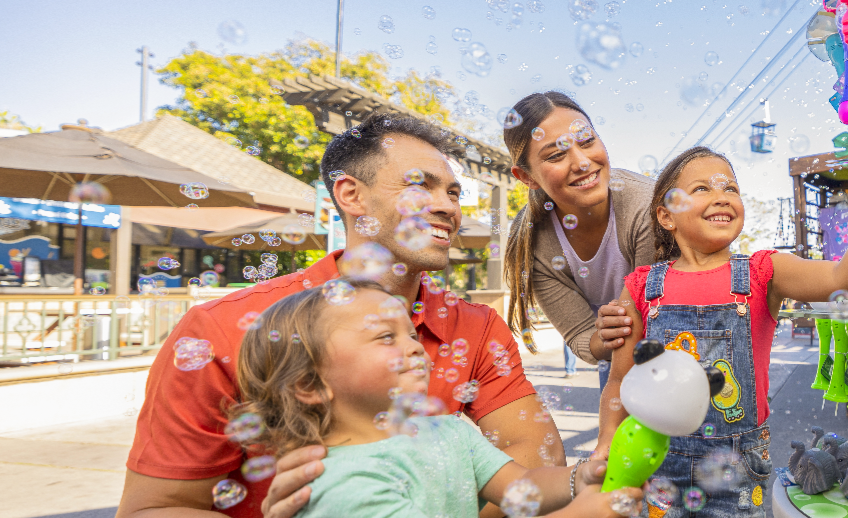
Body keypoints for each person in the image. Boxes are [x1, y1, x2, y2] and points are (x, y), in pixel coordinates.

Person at [117, 116, 561, 518]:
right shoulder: (221, 329)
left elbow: (538, 454)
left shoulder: (475, 326)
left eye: (452, 191)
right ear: (351, 195)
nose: (448, 206)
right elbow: (154, 508)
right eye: (420, 185)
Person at [596, 146, 848, 517]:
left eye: (731, 188)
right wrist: (607, 441)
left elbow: (843, 278)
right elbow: (619, 380)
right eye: (703, 188)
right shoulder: (641, 285)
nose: (721, 196)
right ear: (666, 215)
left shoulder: (763, 272)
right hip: (653, 456)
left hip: (736, 464)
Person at [228, 281, 640, 518]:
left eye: (410, 333)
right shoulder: (340, 487)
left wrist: (579, 479)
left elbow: (521, 486)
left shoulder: (446, 432)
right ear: (310, 384)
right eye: (385, 336)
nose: (412, 346)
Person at [502, 92, 655, 388]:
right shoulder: (531, 238)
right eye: (556, 155)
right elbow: (581, 335)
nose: (582, 162)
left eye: (586, 141)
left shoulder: (645, 205)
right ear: (526, 176)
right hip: (616, 359)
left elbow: (654, 320)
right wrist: (603, 336)